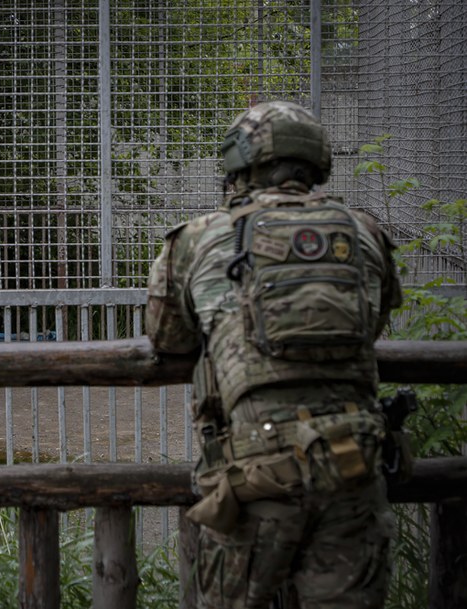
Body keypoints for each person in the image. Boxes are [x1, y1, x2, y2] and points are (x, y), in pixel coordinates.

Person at [146, 101, 402, 608]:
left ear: (238, 163)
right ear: (316, 164)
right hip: (352, 464)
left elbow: (168, 339)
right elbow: (370, 327)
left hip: (254, 478)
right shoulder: (365, 236)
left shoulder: (199, 239)